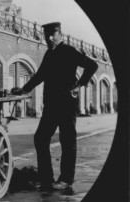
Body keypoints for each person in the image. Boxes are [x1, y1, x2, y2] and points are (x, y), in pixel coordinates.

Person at [12, 22, 98, 190]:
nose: (50, 38)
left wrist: (79, 85)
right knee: (40, 138)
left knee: (67, 141)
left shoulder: (69, 50)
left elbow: (92, 66)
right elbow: (41, 75)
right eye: (47, 35)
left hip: (66, 103)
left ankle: (66, 179)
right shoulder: (49, 54)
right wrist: (23, 89)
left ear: (60, 34)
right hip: (51, 104)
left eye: (53, 34)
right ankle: (47, 178)